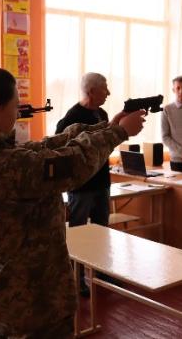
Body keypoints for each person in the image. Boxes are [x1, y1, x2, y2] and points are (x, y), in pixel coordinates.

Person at [0, 66, 145, 338]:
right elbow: (73, 163)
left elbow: (38, 149)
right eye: (15, 106)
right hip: (31, 300)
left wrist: (107, 127)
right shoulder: (3, 166)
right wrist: (118, 134)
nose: (17, 113)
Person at [55, 72, 112, 296]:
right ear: (91, 91)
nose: (108, 93)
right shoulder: (71, 118)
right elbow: (61, 151)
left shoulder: (103, 114)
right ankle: (76, 282)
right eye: (104, 88)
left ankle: (102, 275)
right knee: (78, 236)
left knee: (102, 233)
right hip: (81, 188)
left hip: (102, 183)